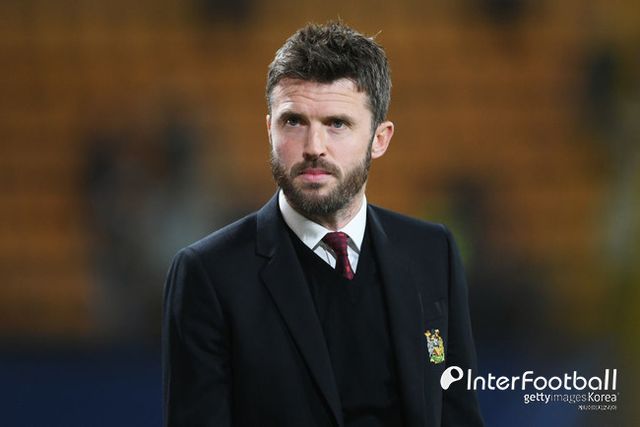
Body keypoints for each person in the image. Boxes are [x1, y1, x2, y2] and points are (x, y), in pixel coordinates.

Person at [163, 21, 484, 427]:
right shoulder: (209, 275)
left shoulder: (432, 252)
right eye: (294, 122)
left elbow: (458, 414)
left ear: (380, 138)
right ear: (269, 129)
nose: (314, 147)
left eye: (337, 123)